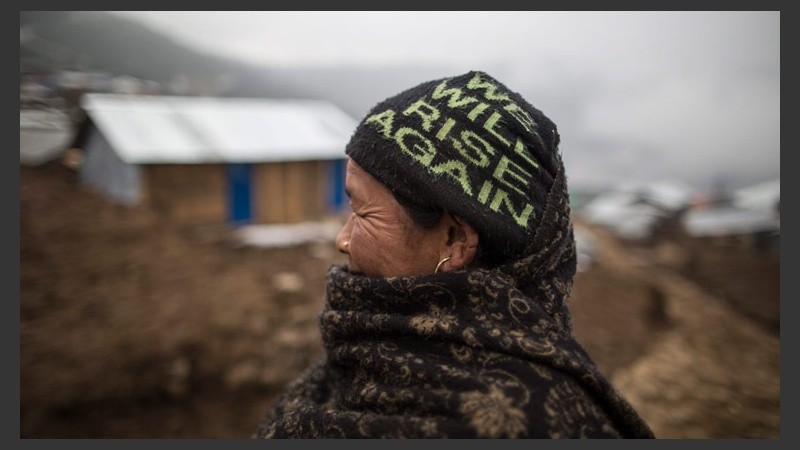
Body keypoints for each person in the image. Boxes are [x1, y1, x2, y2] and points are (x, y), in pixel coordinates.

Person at [253, 70, 655, 439]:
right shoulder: (361, 353)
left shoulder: (531, 425)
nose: (342, 239)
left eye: (362, 211)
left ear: (454, 240)